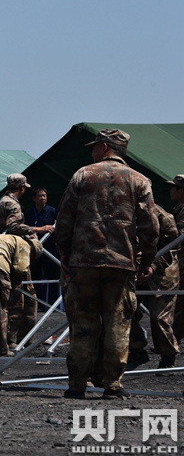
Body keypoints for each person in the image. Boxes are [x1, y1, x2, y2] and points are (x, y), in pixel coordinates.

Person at [56, 129, 159, 400]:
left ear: (103, 147)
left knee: (83, 323)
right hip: (121, 264)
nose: (91, 152)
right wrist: (147, 260)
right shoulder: (140, 180)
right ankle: (112, 386)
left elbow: (64, 219)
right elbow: (150, 225)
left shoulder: (82, 175)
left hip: (84, 263)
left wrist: (65, 253)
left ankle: (77, 385)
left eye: (94, 147)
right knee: (118, 323)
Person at [0, 174, 51, 348]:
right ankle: (15, 339)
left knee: (17, 297)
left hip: (3, 252)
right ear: (22, 188)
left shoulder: (2, 200)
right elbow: (13, 226)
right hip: (12, 255)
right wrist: (38, 229)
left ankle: (21, 337)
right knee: (22, 297)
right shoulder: (12, 203)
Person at [127, 206, 179, 371]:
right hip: (137, 269)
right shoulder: (123, 211)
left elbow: (176, 243)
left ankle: (167, 357)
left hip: (163, 271)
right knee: (124, 308)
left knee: (159, 317)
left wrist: (152, 260)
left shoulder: (163, 216)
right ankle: (136, 349)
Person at [24, 187, 60, 308]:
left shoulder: (52, 211)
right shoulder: (29, 212)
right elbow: (24, 228)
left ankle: (52, 304)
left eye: (44, 196)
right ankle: (38, 304)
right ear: (34, 198)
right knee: (35, 275)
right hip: (34, 248)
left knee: (52, 275)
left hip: (49, 247)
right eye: (39, 196)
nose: (42, 198)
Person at [167, 175, 184, 345]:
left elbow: (179, 235)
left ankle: (173, 342)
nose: (171, 190)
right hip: (180, 263)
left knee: (179, 306)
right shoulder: (179, 208)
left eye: (174, 187)